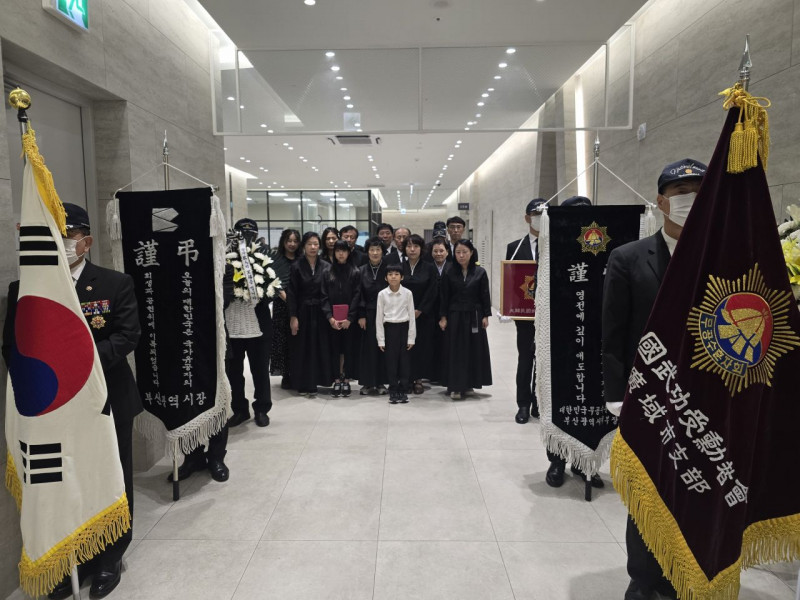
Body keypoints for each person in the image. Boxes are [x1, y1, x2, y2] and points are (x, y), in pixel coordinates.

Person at [2, 204, 142, 599]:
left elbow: (127, 336)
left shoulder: (114, 283)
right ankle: (75, 556)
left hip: (104, 400)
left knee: (109, 475)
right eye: (52, 235)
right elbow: (12, 346)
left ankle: (110, 555)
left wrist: (78, 368)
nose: (60, 243)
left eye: (67, 235)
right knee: (68, 479)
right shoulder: (25, 289)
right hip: (53, 407)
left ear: (86, 241)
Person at [602, 158, 707, 600]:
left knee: (697, 489)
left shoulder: (721, 257)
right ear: (662, 202)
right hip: (647, 398)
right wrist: (616, 395)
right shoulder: (628, 258)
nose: (690, 201)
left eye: (698, 193)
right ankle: (644, 578)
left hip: (705, 401)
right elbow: (613, 333)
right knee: (648, 489)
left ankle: (688, 572)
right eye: (681, 194)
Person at [541, 196, 602, 488]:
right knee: (559, 397)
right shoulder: (553, 248)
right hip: (559, 338)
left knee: (590, 397)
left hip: (593, 338)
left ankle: (584, 463)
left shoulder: (603, 249)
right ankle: (557, 460)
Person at [224, 218, 274, 429]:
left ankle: (261, 408)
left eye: (249, 234)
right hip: (231, 324)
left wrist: (258, 293)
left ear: (255, 235)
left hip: (258, 324)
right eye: (241, 234)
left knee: (260, 369)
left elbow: (273, 287)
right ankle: (239, 409)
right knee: (234, 372)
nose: (245, 238)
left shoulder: (264, 258)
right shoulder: (224, 258)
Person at [506, 198, 545, 424]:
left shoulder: (557, 244)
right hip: (524, 316)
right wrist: (508, 307)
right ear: (527, 218)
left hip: (548, 315)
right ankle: (523, 404)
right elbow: (511, 280)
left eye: (543, 214)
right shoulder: (515, 247)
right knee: (525, 359)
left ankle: (540, 403)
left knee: (544, 361)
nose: (539, 218)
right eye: (535, 214)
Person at [438, 239, 492, 400]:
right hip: (455, 316)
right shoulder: (449, 271)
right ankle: (455, 387)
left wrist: (486, 315)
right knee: (456, 351)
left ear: (471, 253)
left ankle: (469, 385)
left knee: (473, 350)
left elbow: (484, 295)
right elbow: (444, 296)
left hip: (474, 315)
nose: (461, 255)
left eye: (465, 252)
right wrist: (443, 317)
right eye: (458, 252)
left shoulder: (480, 272)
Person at [288, 231, 333, 397]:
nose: (313, 247)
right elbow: (292, 293)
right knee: (303, 348)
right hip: (303, 311)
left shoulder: (326, 266)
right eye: (309, 244)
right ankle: (303, 383)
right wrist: (293, 317)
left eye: (316, 244)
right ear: (304, 246)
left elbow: (330, 292)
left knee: (320, 346)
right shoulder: (296, 266)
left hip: (322, 312)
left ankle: (317, 381)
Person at [321, 240, 362, 397]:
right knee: (334, 349)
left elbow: (357, 295)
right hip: (332, 320)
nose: (341, 253)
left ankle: (346, 379)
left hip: (349, 321)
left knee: (348, 349)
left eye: (344, 250)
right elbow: (323, 296)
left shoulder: (355, 272)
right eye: (338, 250)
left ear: (348, 252)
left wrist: (350, 318)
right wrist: (330, 318)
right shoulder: (327, 272)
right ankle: (336, 379)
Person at [401, 234, 439, 393]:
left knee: (421, 347)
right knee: (404, 347)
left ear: (421, 249)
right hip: (402, 314)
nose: (412, 249)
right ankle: (405, 379)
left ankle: (418, 380)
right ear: (404, 249)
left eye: (415, 246)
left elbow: (432, 290)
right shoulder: (399, 267)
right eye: (409, 246)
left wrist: (420, 309)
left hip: (423, 315)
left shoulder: (429, 267)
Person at [376, 264, 416, 404]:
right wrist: (381, 340)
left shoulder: (408, 293)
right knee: (391, 361)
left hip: (404, 328)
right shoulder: (382, 294)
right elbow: (379, 318)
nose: (393, 277)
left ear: (402, 277)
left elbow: (412, 316)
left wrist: (411, 338)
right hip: (389, 329)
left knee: (404, 362)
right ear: (385, 278)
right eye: (390, 274)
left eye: (397, 274)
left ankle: (403, 389)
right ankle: (393, 389)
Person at [358, 236, 389, 395]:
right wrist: (361, 315)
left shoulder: (389, 269)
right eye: (372, 250)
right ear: (367, 252)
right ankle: (367, 383)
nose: (375, 253)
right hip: (368, 314)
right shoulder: (361, 270)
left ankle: (381, 382)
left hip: (386, 314)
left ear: (383, 252)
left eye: (378, 250)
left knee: (383, 348)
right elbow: (358, 294)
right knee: (368, 349)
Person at [270, 228, 300, 389]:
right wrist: (290, 301)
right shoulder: (276, 260)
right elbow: (275, 283)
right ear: (283, 242)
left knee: (297, 339)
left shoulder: (302, 260)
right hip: (282, 306)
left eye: (295, 241)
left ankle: (298, 373)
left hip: (300, 306)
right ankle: (286, 374)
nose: (292, 244)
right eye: (289, 241)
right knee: (283, 340)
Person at [429, 237, 451, 383]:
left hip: (447, 310)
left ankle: (445, 374)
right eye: (435, 251)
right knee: (432, 342)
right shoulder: (427, 267)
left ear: (447, 252)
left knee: (446, 343)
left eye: (441, 251)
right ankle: (432, 374)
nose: (438, 254)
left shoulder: (453, 267)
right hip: (430, 310)